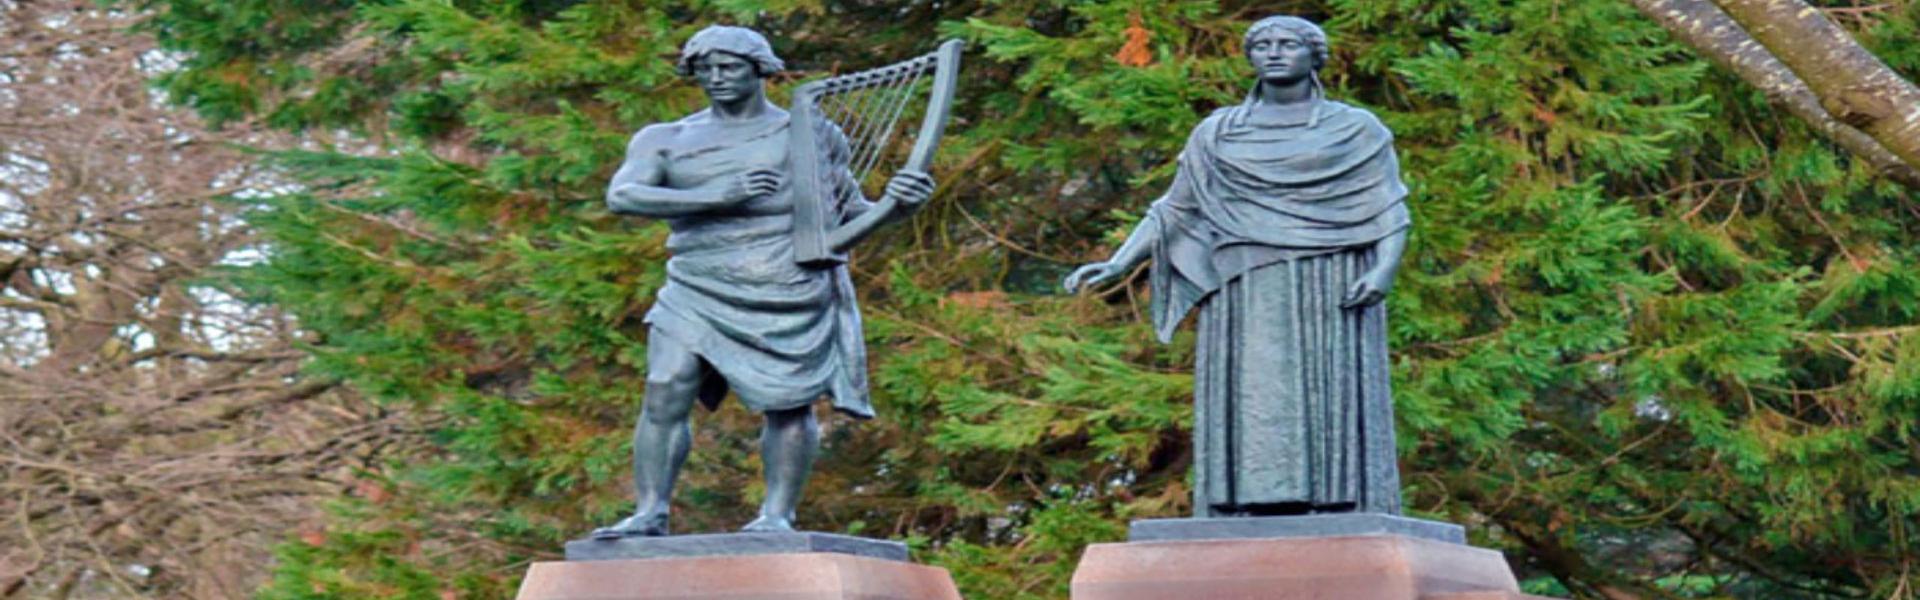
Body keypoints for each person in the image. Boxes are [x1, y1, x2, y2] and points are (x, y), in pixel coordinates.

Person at [593, 25, 934, 537]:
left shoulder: (810, 134)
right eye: (704, 69)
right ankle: (650, 511)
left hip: (788, 284)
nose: (715, 78)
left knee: (789, 402)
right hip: (697, 281)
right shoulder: (666, 138)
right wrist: (716, 194)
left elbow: (847, 216)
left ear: (761, 70)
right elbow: (624, 196)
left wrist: (895, 208)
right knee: (665, 386)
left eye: (728, 67)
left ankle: (777, 514)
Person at [1064, 15, 1410, 516]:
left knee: (1326, 391)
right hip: (1241, 285)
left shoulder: (1355, 128)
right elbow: (1175, 208)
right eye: (1262, 45)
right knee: (1253, 393)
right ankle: (1241, 503)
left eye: (1288, 44)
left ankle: (1339, 501)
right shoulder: (1218, 132)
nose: (1273, 52)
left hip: (1327, 277)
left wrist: (1384, 268)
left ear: (1315, 55)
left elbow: (1388, 205)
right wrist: (1119, 263)